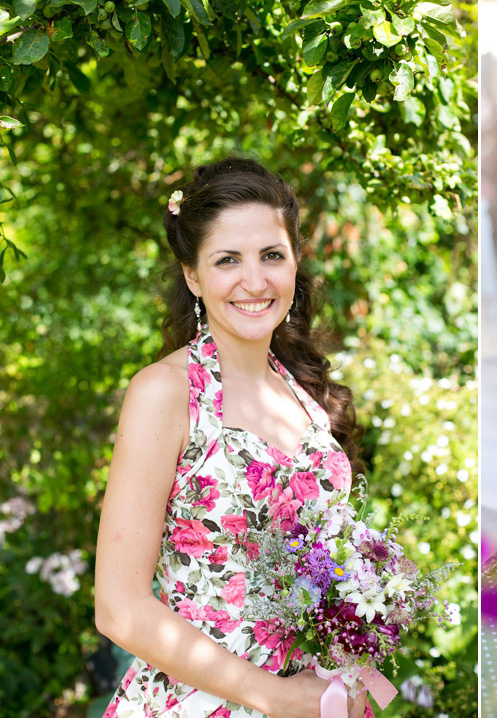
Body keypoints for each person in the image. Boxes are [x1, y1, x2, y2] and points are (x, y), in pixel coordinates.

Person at [95, 157, 371, 718]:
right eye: (227, 260)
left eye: (272, 255)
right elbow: (118, 608)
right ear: (193, 275)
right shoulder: (166, 394)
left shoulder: (305, 393)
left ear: (295, 262)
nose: (255, 280)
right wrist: (272, 696)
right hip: (204, 703)